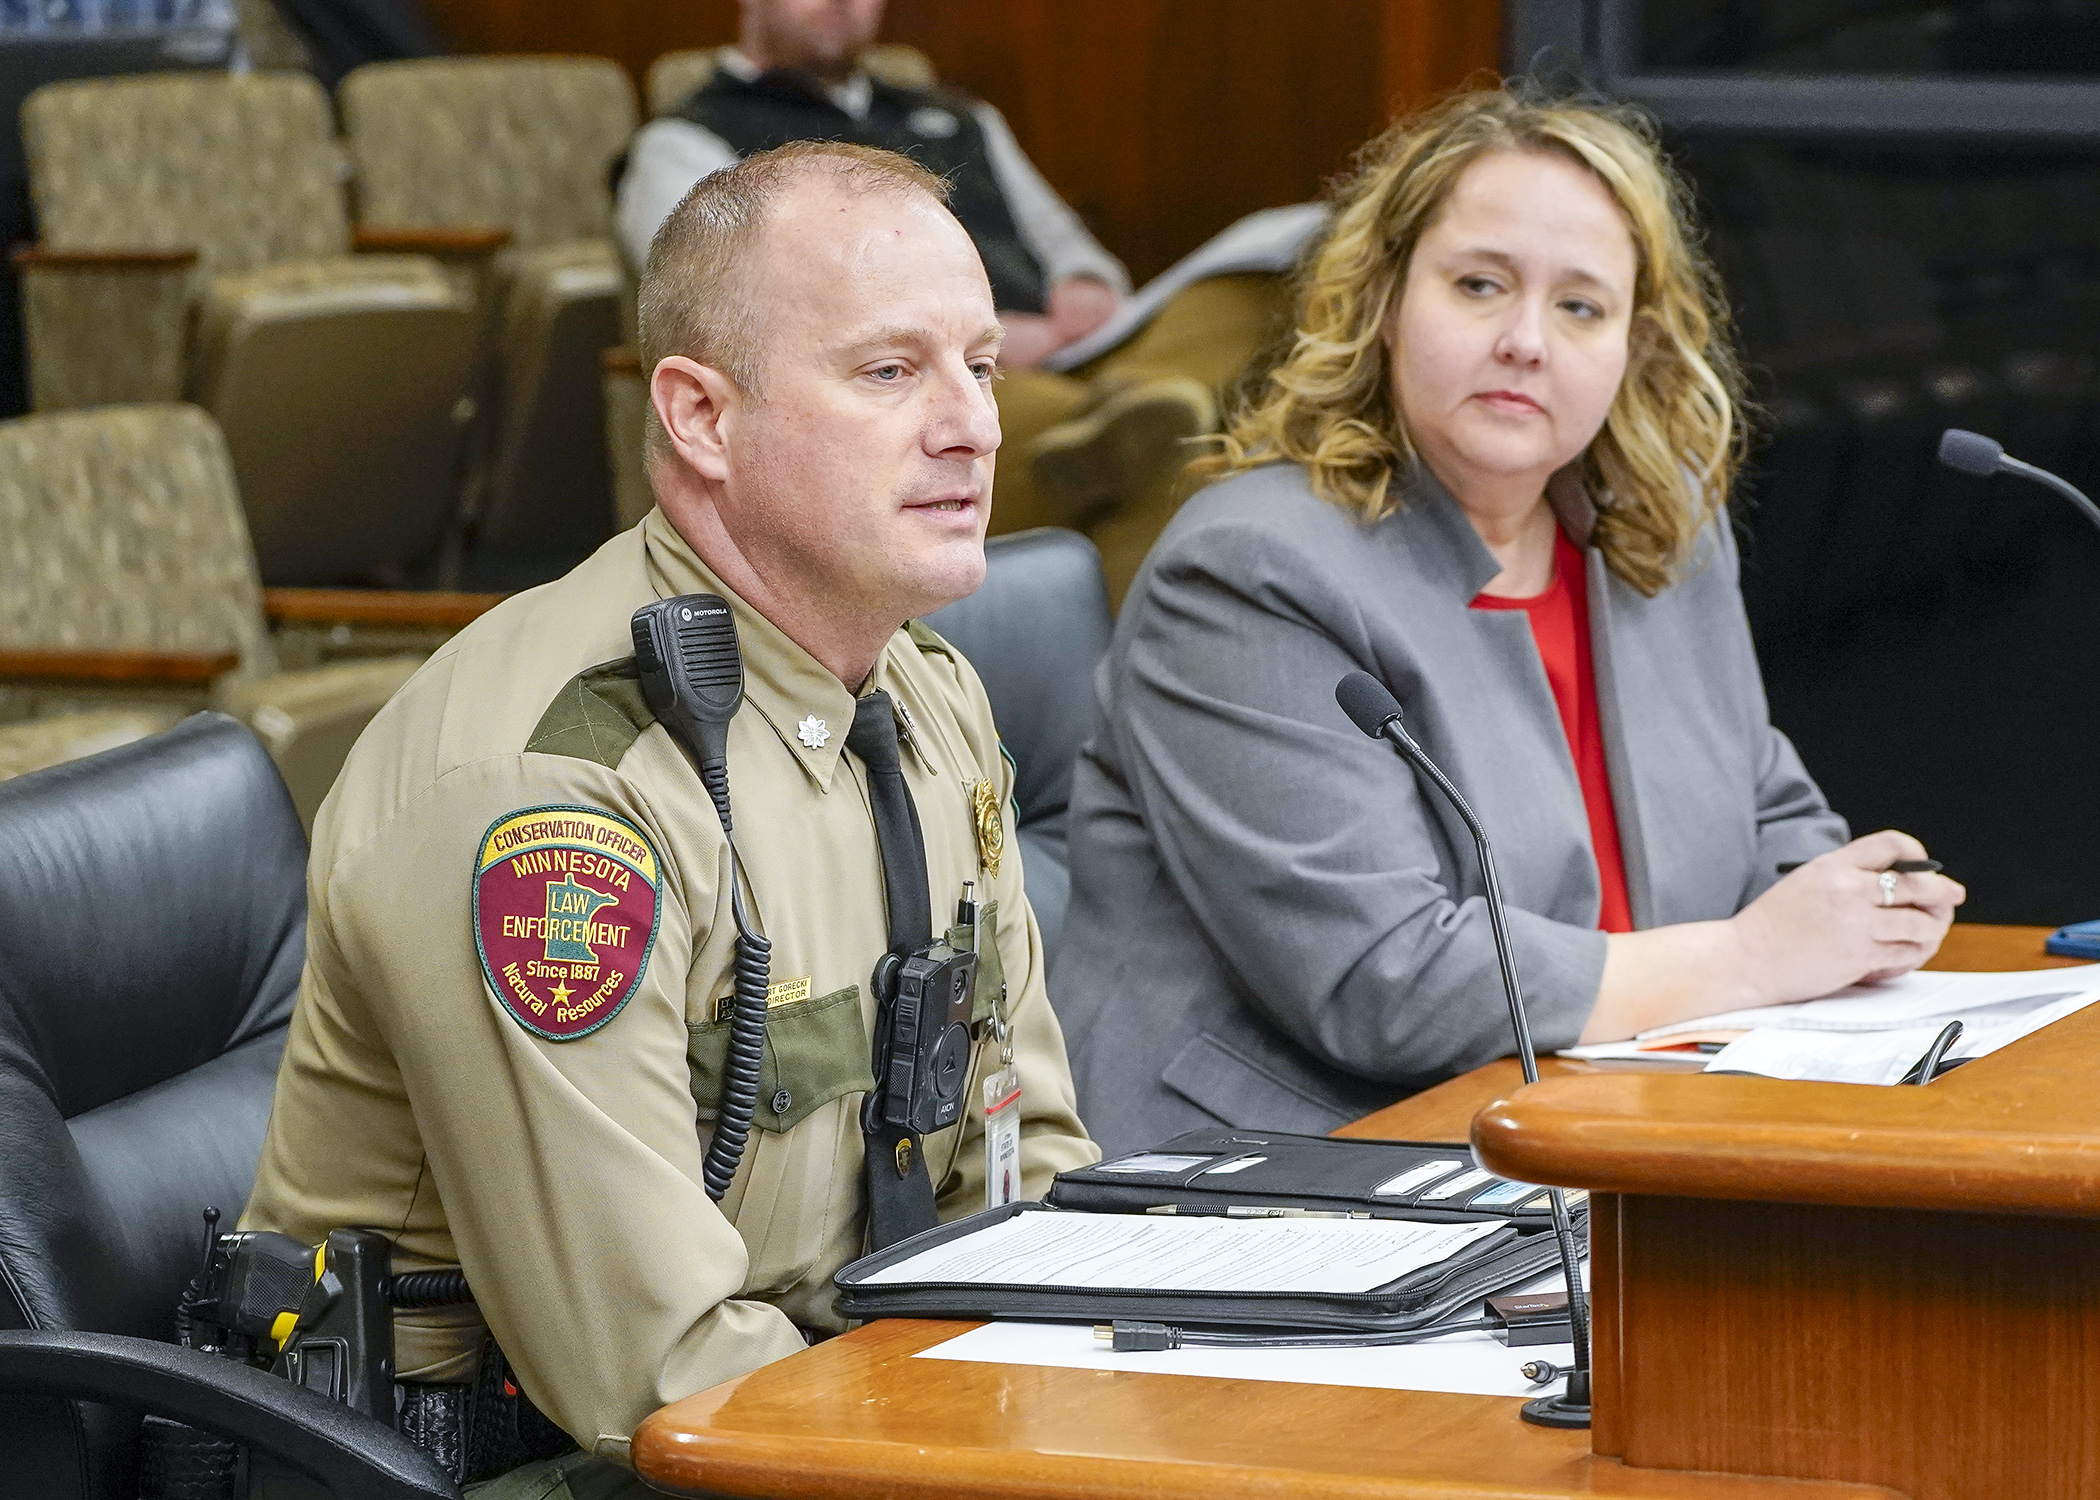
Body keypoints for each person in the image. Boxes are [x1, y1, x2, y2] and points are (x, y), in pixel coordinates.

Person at [241, 141, 1097, 1497]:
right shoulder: (559, 797)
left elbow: (1028, 1163)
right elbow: (656, 1375)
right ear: (701, 417)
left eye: (982, 366)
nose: (976, 426)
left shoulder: (926, 695)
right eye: (891, 372)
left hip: (840, 1406)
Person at [1051, 88, 1967, 1156]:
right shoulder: (1252, 570)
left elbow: (1766, 818)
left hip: (1605, 1145)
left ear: (1633, 343)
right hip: (1288, 1180)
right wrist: (1759, 957)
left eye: (1582, 307)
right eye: (1480, 286)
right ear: (1384, 299)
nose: (1526, 341)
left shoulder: (1653, 531)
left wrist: (1862, 914)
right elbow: (1382, 980)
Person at [614, 0, 1293, 599]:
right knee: (1138, 432)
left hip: (1078, 351)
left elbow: (1071, 245)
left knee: (1257, 293)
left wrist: (1086, 285)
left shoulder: (960, 115)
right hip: (949, 380)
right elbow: (715, 311)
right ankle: (1108, 422)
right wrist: (978, 340)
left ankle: (1120, 407)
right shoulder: (685, 139)